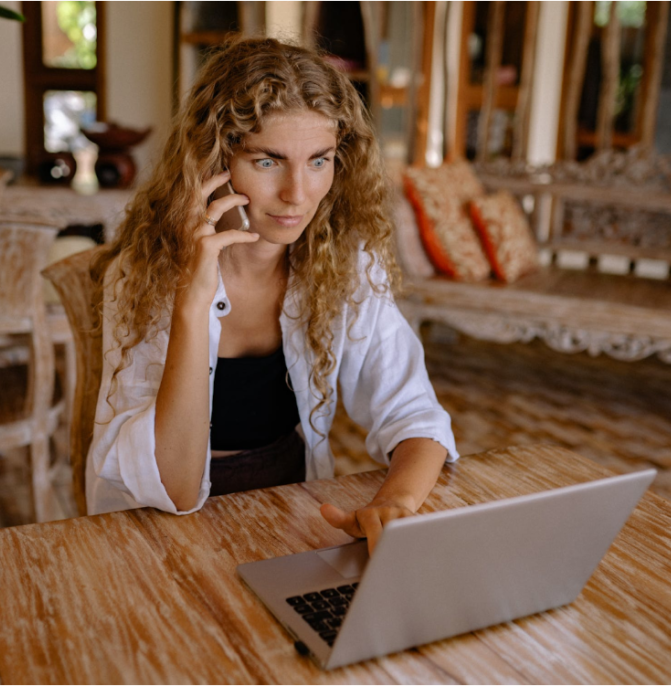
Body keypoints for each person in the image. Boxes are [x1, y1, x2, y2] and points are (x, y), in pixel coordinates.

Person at [88, 37, 458, 553]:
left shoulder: (342, 261)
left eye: (319, 161)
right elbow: (172, 488)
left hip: (291, 514)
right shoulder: (145, 271)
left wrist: (395, 503)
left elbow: (414, 414)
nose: (298, 194)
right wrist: (193, 302)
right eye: (268, 161)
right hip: (158, 533)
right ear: (213, 159)